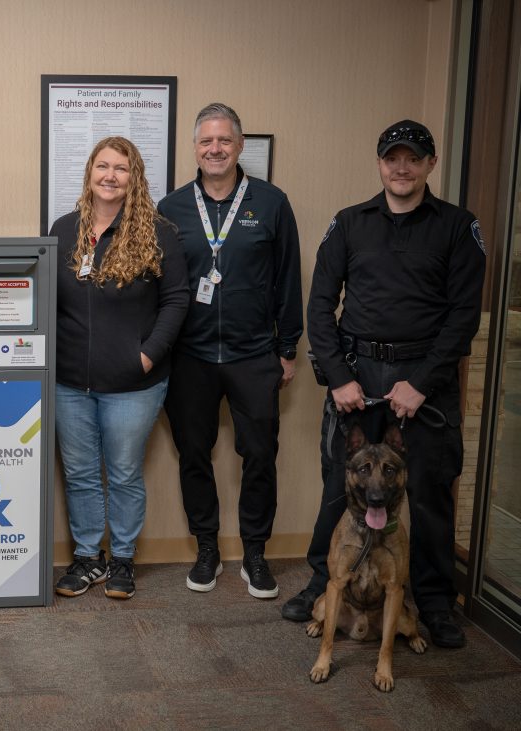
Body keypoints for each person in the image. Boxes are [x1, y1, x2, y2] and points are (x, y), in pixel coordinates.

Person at [281, 120, 485, 648]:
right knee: (340, 489)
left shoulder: (458, 227)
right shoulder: (350, 223)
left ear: (429, 165)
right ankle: (326, 584)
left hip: (426, 381)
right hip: (358, 379)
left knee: (430, 494)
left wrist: (419, 383)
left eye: (413, 158)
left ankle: (436, 603)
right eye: (392, 157)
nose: (402, 167)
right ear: (379, 162)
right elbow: (320, 307)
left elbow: (463, 317)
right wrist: (340, 378)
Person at [157, 103, 302, 599]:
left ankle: (255, 553)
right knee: (193, 453)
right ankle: (207, 549)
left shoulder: (272, 202)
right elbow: (159, 287)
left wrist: (287, 348)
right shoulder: (171, 209)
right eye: (205, 142)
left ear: (240, 146)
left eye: (224, 140)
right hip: (190, 358)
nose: (214, 149)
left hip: (253, 355)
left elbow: (288, 280)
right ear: (194, 150)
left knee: (260, 454)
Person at [51, 136, 189, 600]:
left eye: (121, 168)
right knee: (81, 473)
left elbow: (175, 301)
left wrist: (147, 354)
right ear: (89, 172)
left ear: (135, 178)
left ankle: (123, 559)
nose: (110, 176)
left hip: (135, 382)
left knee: (125, 472)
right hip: (69, 382)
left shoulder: (159, 232)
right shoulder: (64, 228)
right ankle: (89, 558)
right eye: (102, 166)